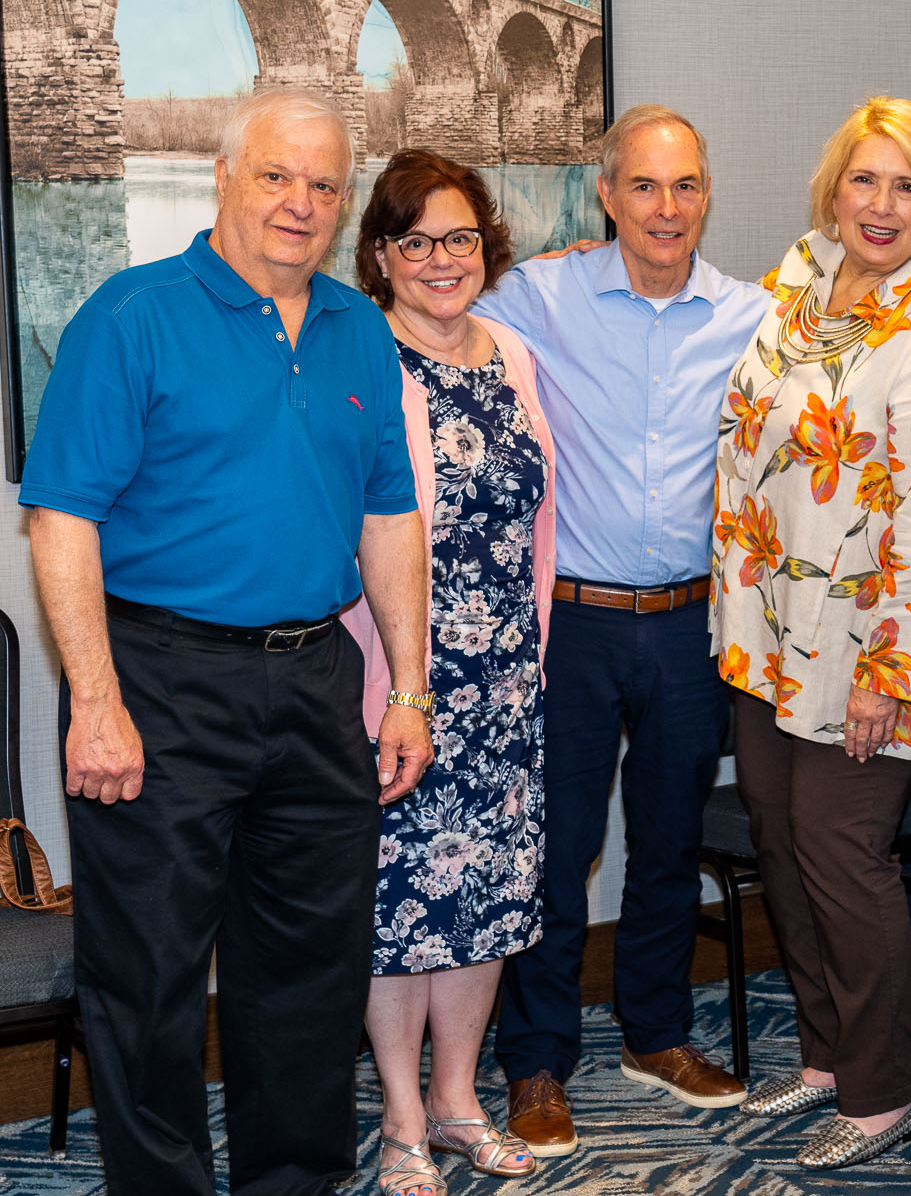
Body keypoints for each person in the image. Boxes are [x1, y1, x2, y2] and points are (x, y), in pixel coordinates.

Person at [19, 90, 431, 1195]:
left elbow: (391, 515)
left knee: (309, 965)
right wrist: (95, 700)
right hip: (159, 681)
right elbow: (61, 518)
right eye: (275, 175)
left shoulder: (358, 328)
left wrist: (409, 690)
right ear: (223, 176)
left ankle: (290, 1181)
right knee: (147, 974)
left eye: (324, 184)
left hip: (317, 680)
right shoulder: (132, 315)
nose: (300, 202)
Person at [477, 105, 772, 1155]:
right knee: (556, 849)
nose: (665, 207)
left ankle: (656, 1034)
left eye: (684, 185)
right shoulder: (538, 296)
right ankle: (536, 1060)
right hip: (573, 624)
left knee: (668, 842)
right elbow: (429, 307)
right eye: (643, 185)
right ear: (606, 195)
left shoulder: (751, 314)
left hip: (692, 625)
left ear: (706, 195)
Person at [712, 95, 911, 1168]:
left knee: (840, 851)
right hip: (770, 623)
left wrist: (889, 672)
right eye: (865, 179)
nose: (881, 205)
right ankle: (826, 1053)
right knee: (781, 843)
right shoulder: (798, 283)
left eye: (907, 186)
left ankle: (884, 1089)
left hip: (871, 645)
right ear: (834, 187)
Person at [339, 150, 557, 1196]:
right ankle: (400, 1118)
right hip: (400, 681)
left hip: (506, 679)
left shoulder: (510, 352)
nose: (441, 259)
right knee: (401, 901)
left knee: (487, 892)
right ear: (381, 255)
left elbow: (536, 518)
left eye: (460, 237)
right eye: (415, 240)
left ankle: (460, 1099)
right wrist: (397, 682)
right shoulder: (359, 355)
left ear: (487, 246)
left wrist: (530, 658)